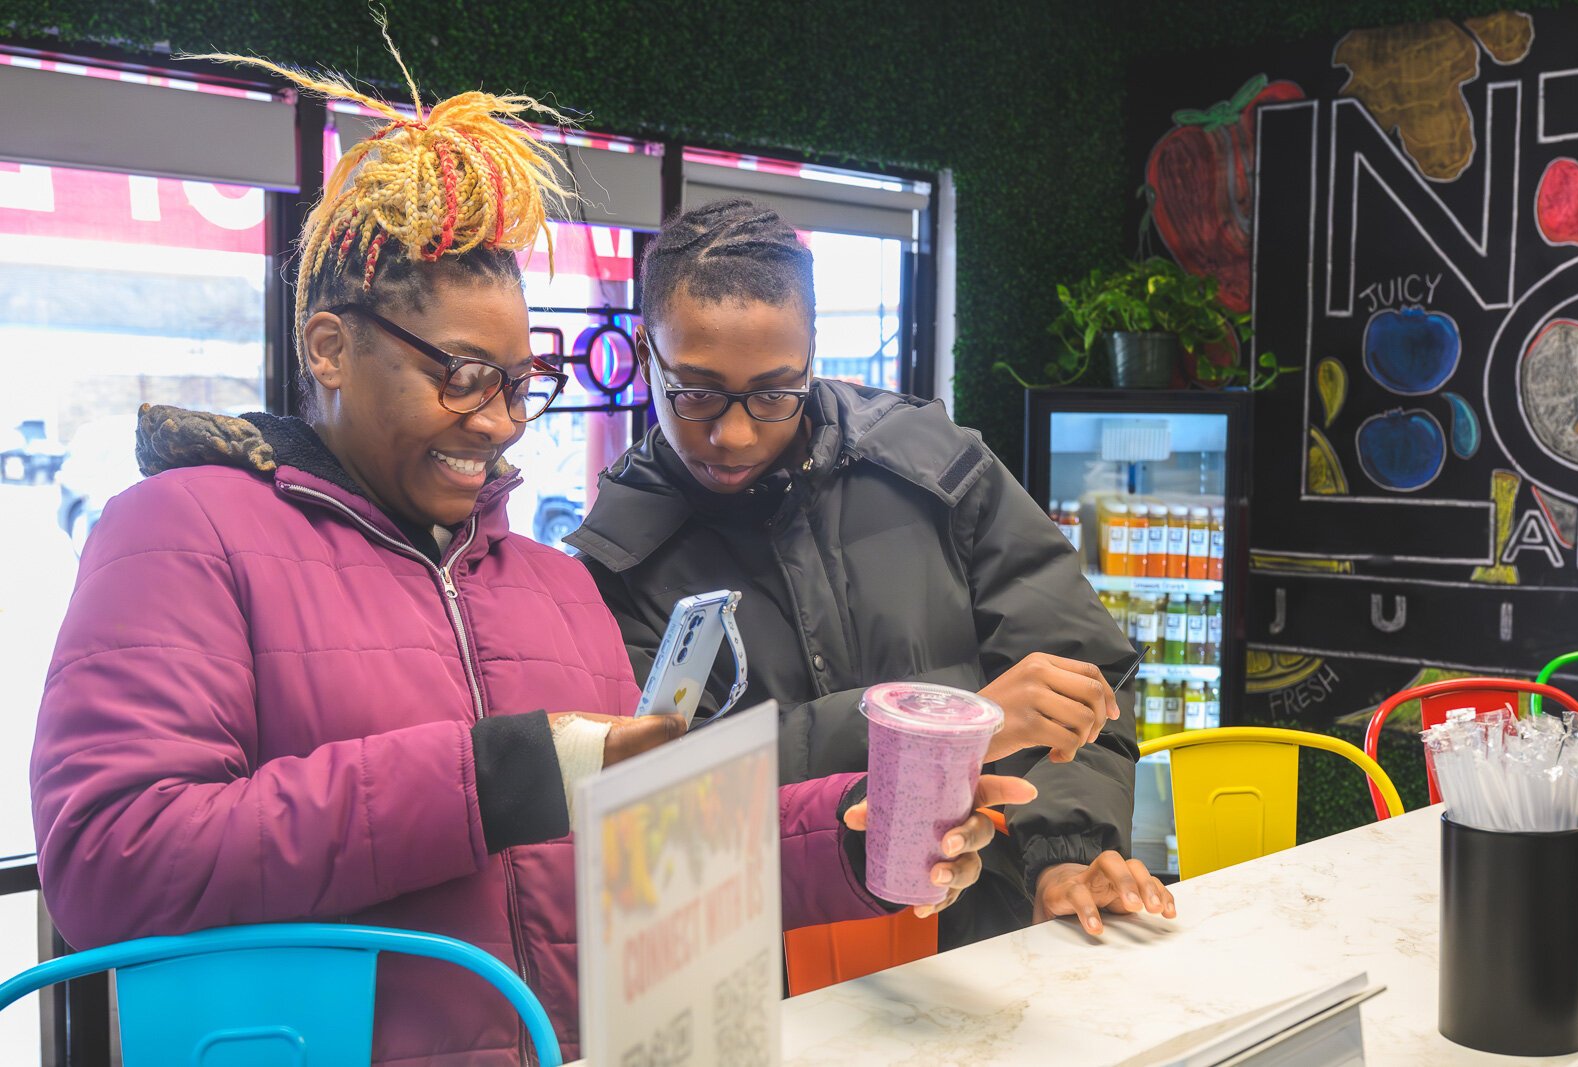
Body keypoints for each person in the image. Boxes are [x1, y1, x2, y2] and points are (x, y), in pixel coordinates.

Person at [28, 40, 1026, 1066]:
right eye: (462, 376)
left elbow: (654, 860)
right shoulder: (182, 531)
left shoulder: (554, 585)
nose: (500, 422)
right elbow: (111, 859)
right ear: (329, 348)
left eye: (519, 380)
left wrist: (855, 834)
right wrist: (489, 776)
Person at [570, 199, 1177, 946]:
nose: (733, 433)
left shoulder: (936, 467)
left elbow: (1080, 686)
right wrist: (948, 736)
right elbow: (657, 800)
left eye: (773, 392)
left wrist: (1060, 856)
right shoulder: (613, 564)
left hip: (979, 945)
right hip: (766, 975)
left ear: (812, 351)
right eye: (695, 391)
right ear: (643, 350)